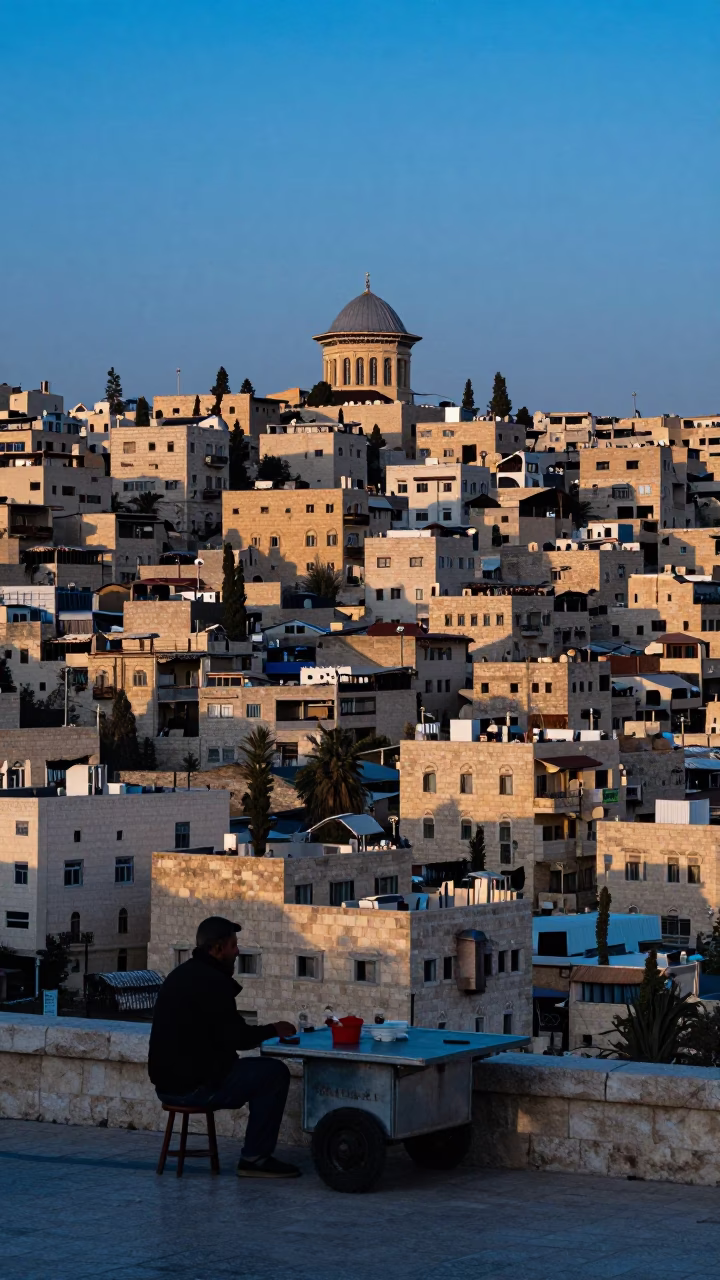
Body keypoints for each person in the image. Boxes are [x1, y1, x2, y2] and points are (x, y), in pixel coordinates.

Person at [149, 915, 300, 1178]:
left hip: (168, 1085)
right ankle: (255, 1158)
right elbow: (237, 1038)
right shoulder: (212, 982)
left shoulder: (182, 974)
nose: (237, 951)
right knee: (274, 1074)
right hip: (194, 1087)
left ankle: (255, 1156)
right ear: (217, 949)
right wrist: (274, 1029)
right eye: (233, 945)